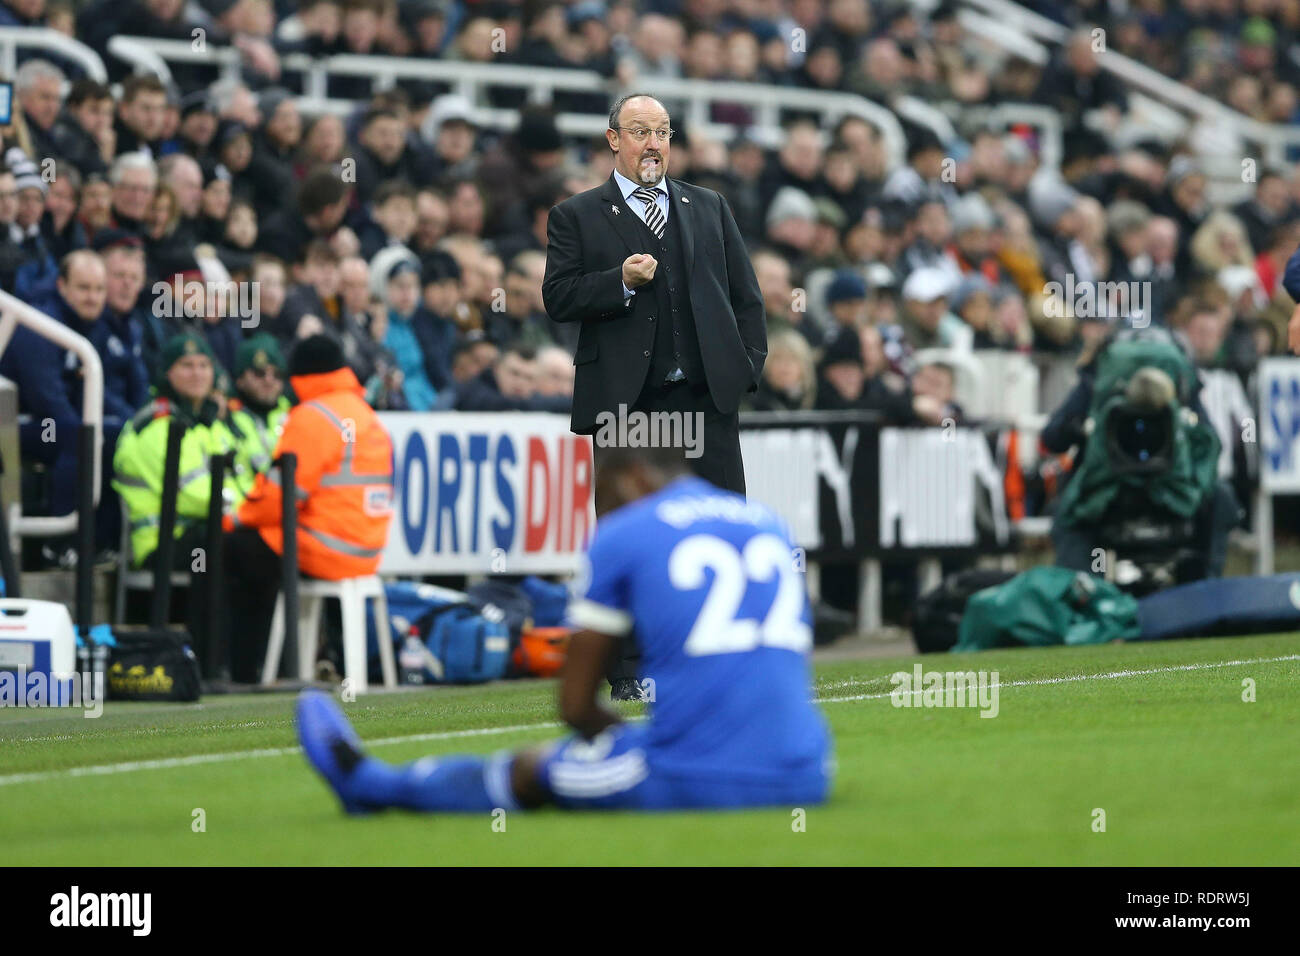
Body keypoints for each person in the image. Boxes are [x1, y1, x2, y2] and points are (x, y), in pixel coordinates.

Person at [296, 444, 832, 814]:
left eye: (605, 491)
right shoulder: (763, 519)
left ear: (632, 477)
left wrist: (617, 735)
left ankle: (371, 784)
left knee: (534, 766)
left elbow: (574, 707)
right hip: (809, 766)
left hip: (703, 777)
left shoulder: (625, 534)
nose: (604, 508)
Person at [542, 92, 766, 500]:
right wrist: (619, 282)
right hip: (626, 407)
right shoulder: (576, 215)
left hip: (707, 402)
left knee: (716, 525)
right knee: (632, 529)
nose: (653, 143)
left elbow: (745, 296)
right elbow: (558, 297)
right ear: (613, 139)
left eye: (662, 133)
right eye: (641, 132)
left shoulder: (709, 205)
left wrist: (745, 368)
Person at [223, 335, 394, 685]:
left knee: (232, 550)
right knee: (258, 553)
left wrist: (233, 520)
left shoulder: (312, 417)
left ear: (299, 375)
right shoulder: (363, 413)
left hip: (323, 549)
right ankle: (308, 662)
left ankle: (241, 670)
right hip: (365, 552)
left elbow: (278, 498)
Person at [112, 333, 245, 571]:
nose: (197, 373)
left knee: (263, 546)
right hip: (160, 543)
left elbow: (241, 479)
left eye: (204, 365)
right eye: (187, 365)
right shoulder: (154, 425)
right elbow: (191, 496)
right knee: (244, 548)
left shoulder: (208, 424)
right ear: (167, 373)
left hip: (202, 532)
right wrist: (248, 511)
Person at [227, 334, 292, 493]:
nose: (269, 380)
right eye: (259, 373)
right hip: (250, 507)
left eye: (277, 375)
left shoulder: (294, 415)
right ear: (240, 379)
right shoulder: (228, 419)